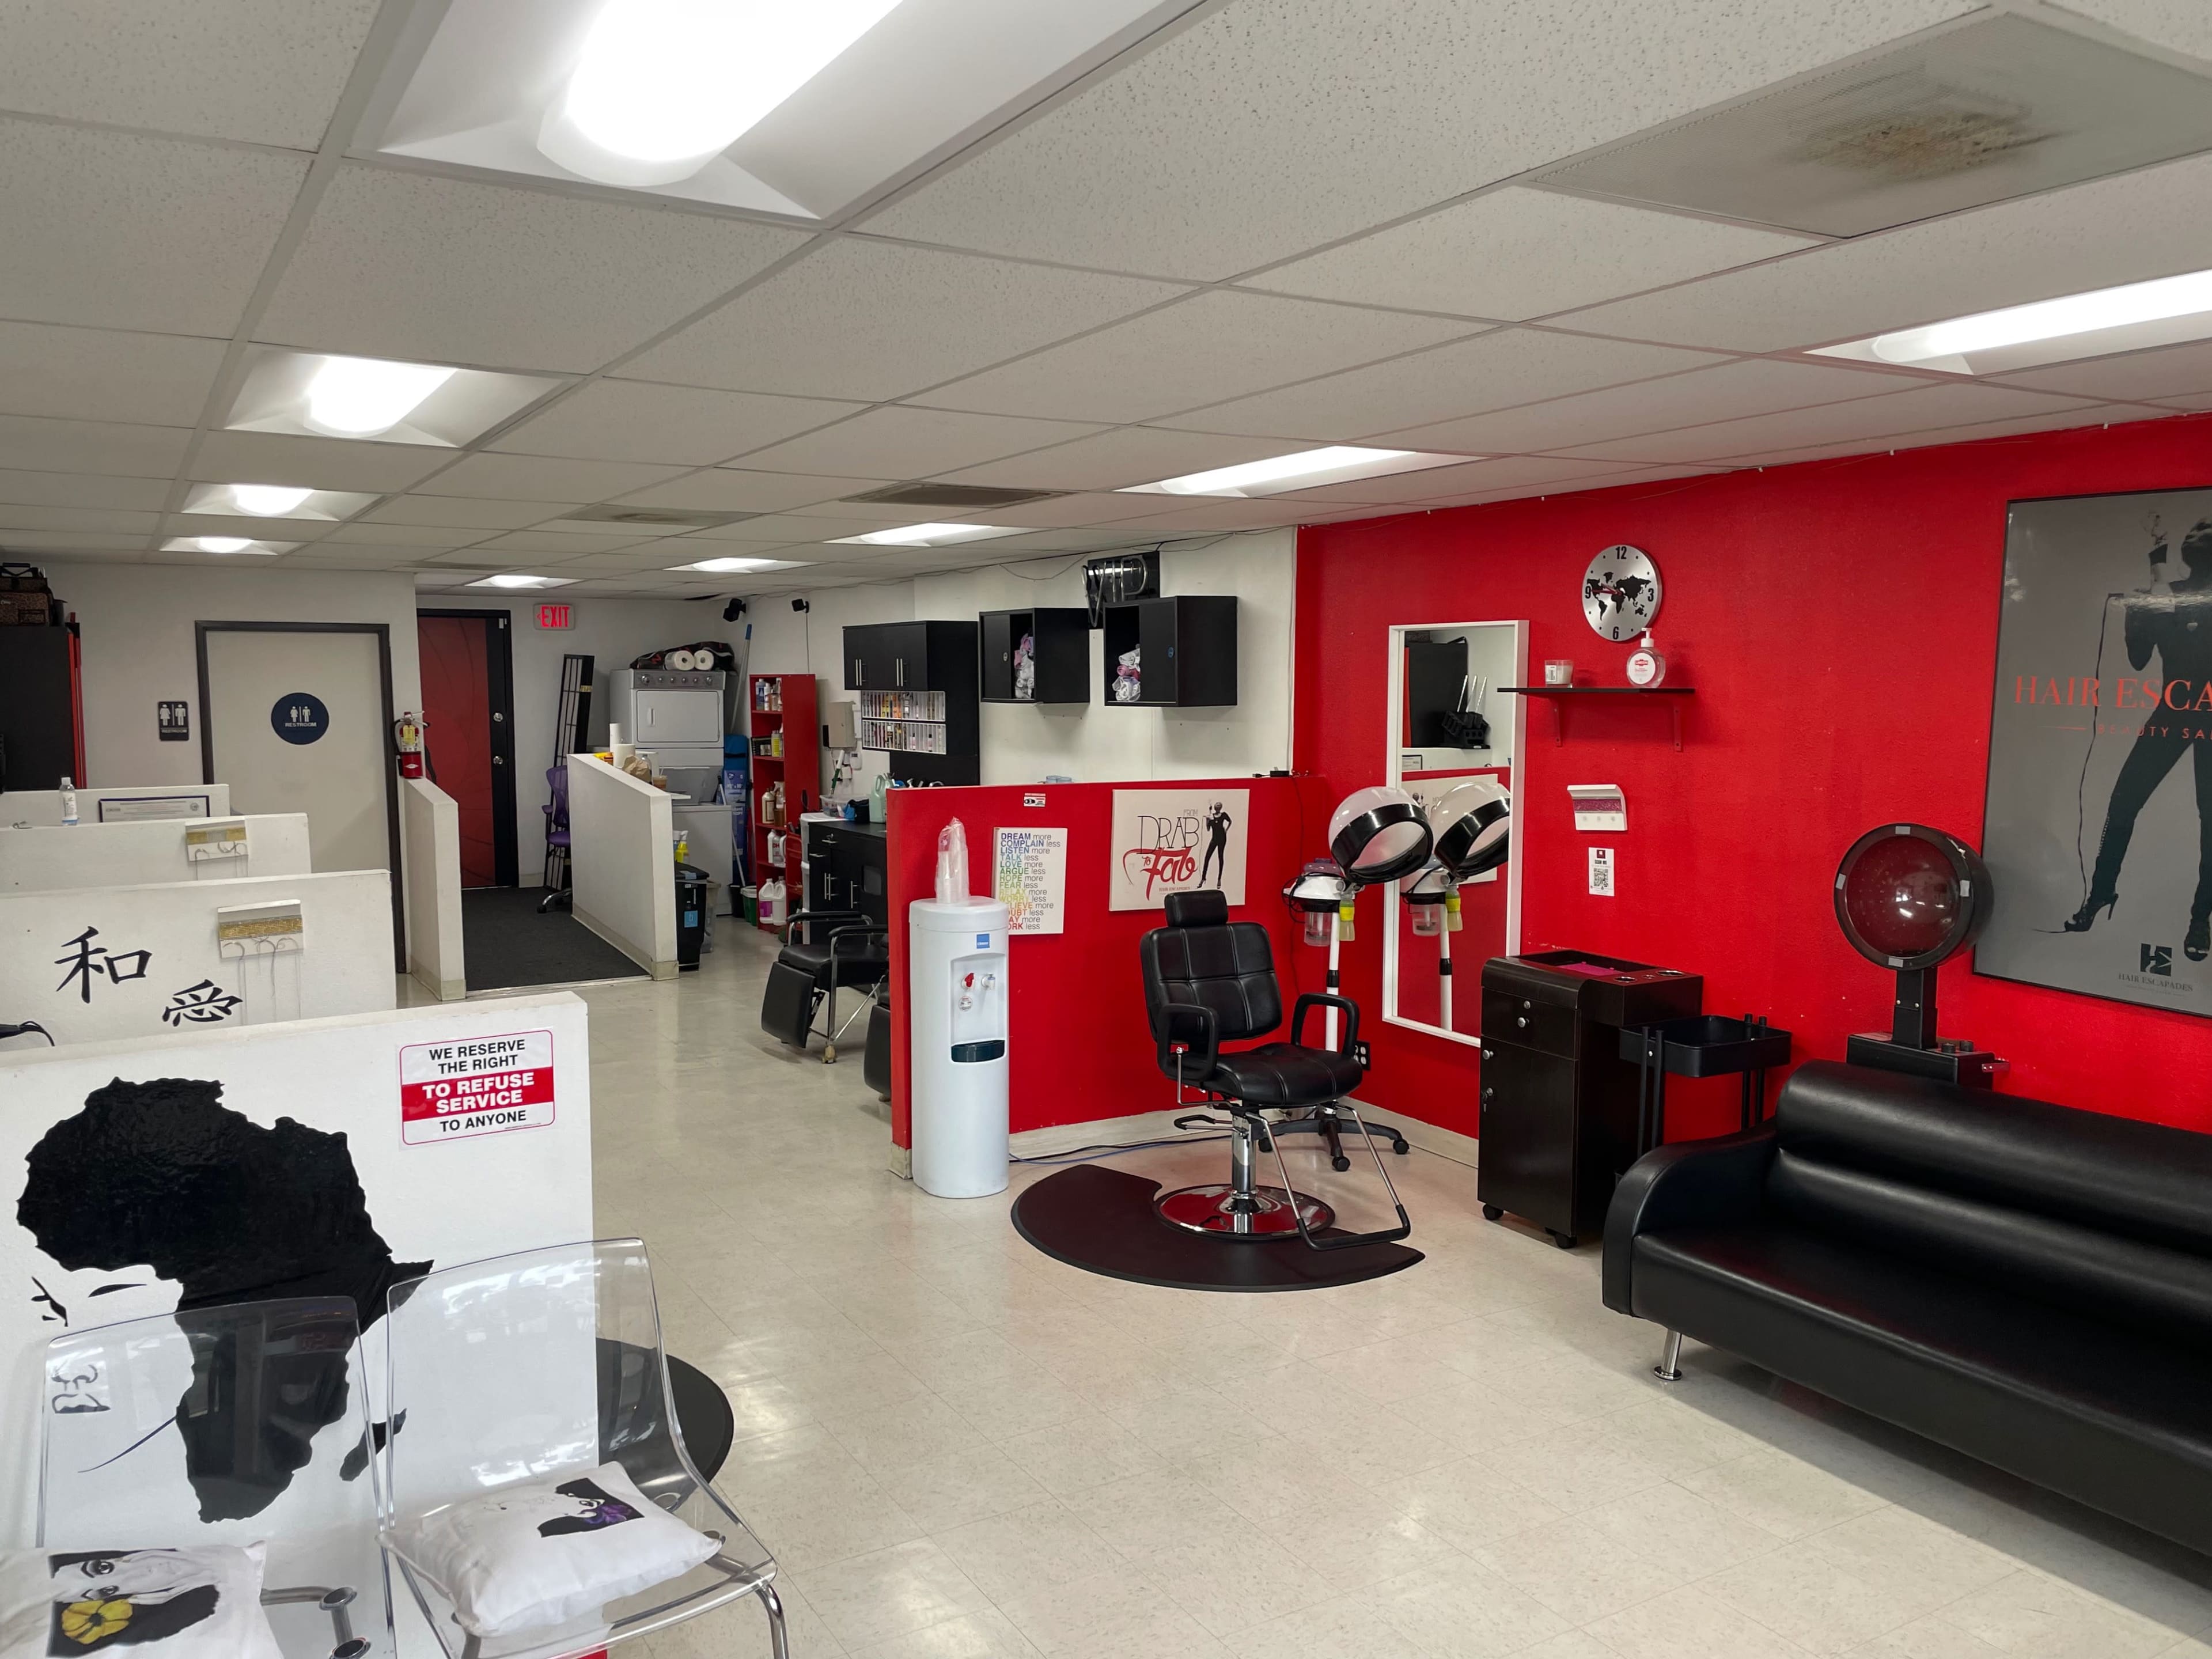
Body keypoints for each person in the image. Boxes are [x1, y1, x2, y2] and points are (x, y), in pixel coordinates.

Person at [2069, 515, 2212, 960]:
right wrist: (2137, 612)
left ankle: (2199, 920)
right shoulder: (2168, 597)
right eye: (2191, 537)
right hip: (2173, 710)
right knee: (2122, 805)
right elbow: (2137, 660)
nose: (2195, 543)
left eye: (2203, 538)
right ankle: (2101, 894)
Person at [1198, 800, 1232, 889]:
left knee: (1220, 857)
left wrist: (1226, 830)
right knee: (1207, 857)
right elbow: (1208, 829)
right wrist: (1207, 820)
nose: (1218, 807)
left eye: (1219, 806)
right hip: (1214, 839)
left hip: (1222, 838)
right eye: (1217, 806)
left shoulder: (1224, 815)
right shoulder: (1211, 817)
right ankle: (1203, 878)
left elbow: (1230, 821)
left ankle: (1219, 879)